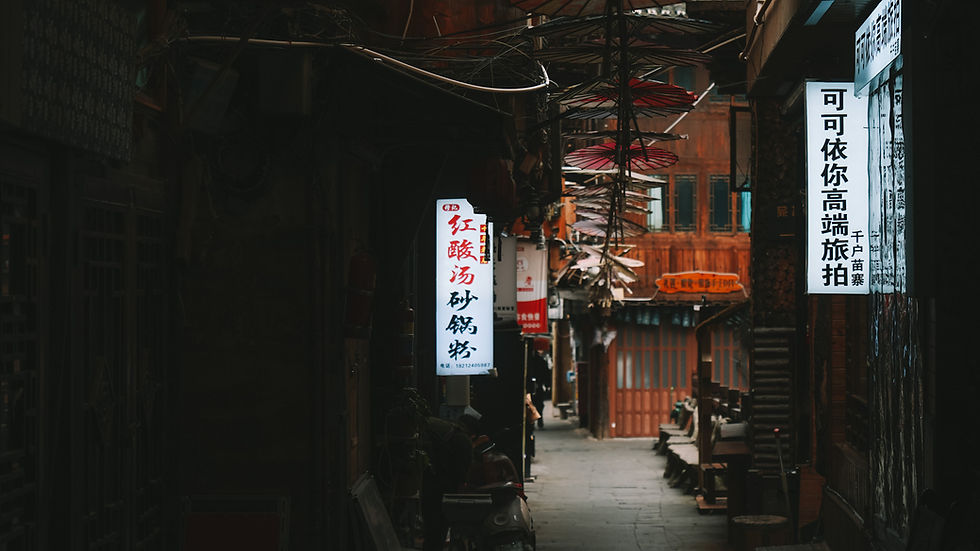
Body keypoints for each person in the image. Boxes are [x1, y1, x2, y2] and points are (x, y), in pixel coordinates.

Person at [419, 414, 477, 551]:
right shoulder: (464, 442)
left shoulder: (442, 429)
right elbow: (462, 477)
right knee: (439, 528)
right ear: (472, 432)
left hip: (428, 484)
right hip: (445, 490)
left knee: (430, 529)